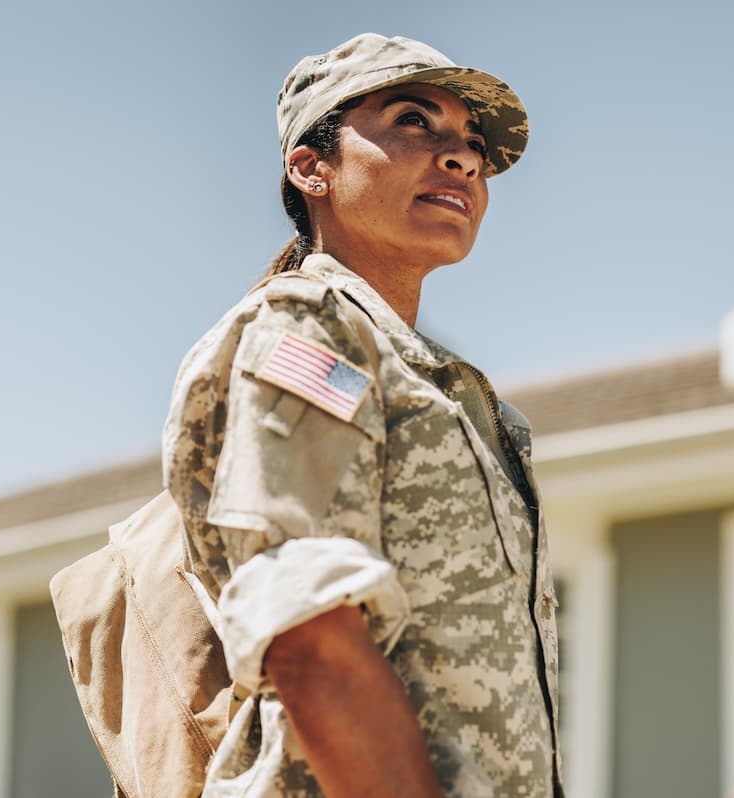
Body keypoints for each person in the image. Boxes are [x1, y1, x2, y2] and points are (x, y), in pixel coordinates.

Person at [161, 33, 560, 797]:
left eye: (472, 145)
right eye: (415, 122)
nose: (464, 159)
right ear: (312, 167)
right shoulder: (310, 329)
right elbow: (308, 632)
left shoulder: (452, 390)